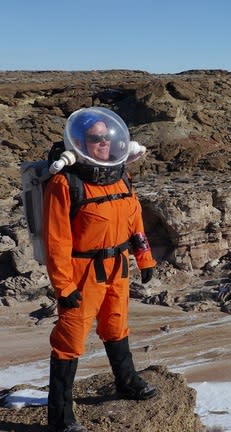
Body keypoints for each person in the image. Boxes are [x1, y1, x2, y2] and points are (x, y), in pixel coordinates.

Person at [43, 107, 157, 432]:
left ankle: (126, 382)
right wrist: (64, 288)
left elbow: (134, 219)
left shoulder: (121, 174)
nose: (103, 143)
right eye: (95, 138)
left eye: (107, 137)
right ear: (81, 142)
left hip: (117, 267)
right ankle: (61, 418)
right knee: (69, 339)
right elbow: (56, 241)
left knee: (116, 326)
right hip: (82, 271)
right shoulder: (66, 184)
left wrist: (144, 257)